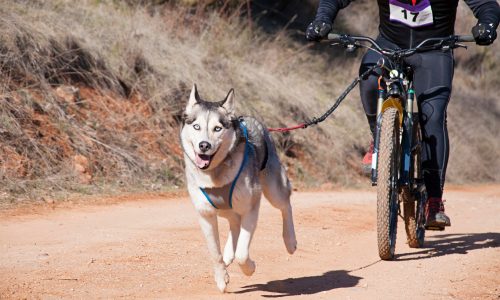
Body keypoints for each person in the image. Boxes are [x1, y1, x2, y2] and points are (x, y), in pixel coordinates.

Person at [305, 0, 499, 230]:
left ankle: (434, 202)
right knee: (368, 80)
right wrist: (322, 19)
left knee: (433, 116)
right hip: (388, 45)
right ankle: (379, 137)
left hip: (435, 51)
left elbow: (487, 4)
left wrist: (487, 24)